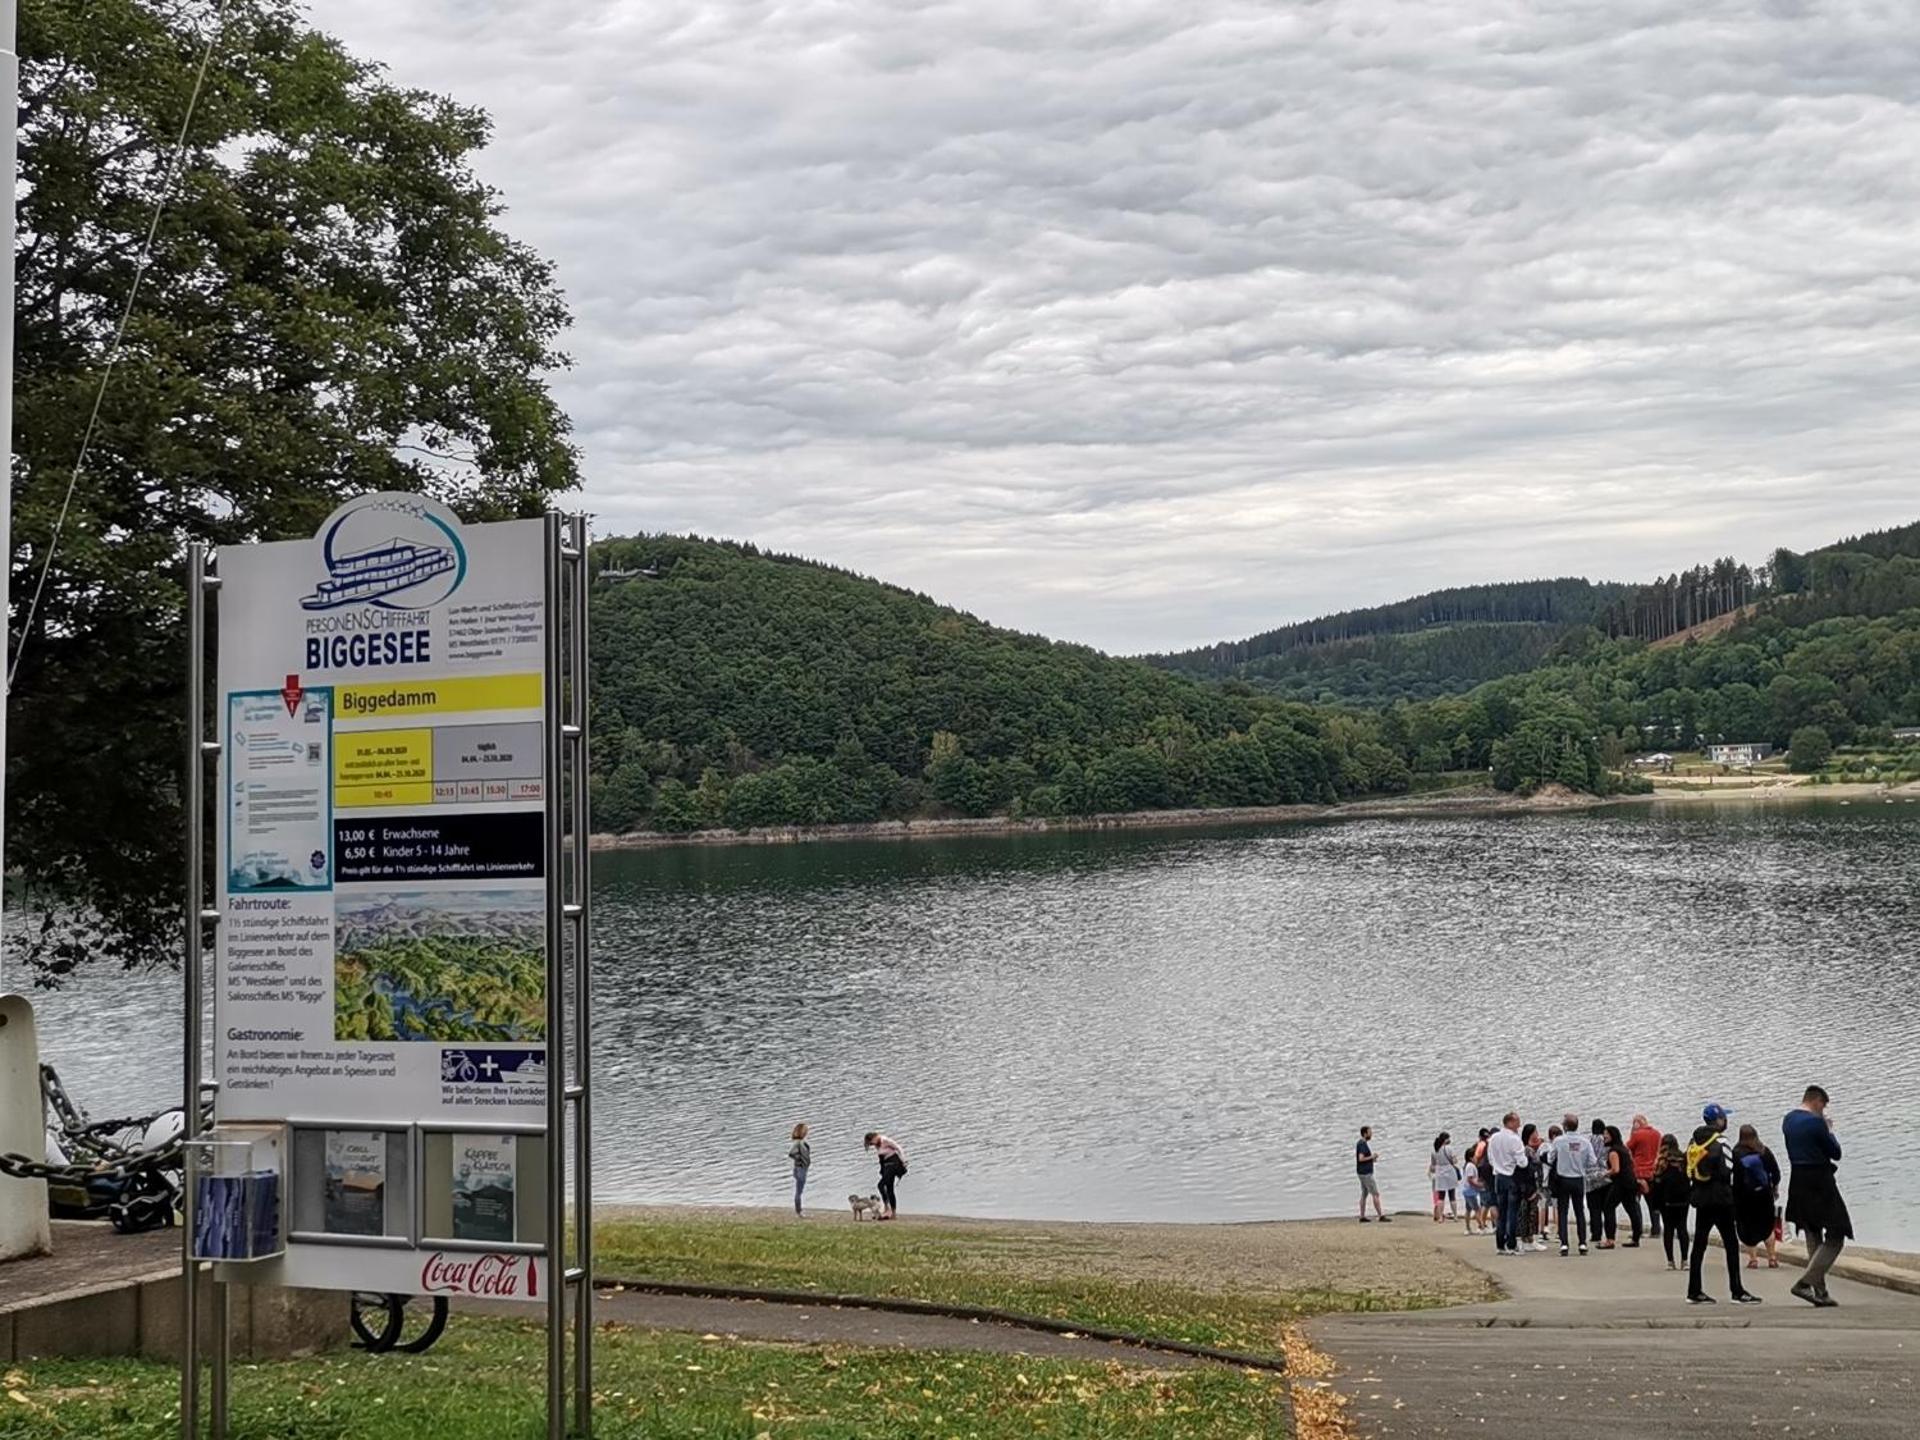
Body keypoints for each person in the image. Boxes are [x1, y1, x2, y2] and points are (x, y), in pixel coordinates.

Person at [1783, 1085, 1849, 1308]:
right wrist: (1828, 1129)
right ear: (1817, 1101)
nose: (1824, 1110)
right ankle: (1805, 1283)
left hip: (1797, 1179)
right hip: (1819, 1180)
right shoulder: (1816, 1122)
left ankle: (1820, 1291)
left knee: (1812, 1233)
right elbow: (1835, 1153)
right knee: (1837, 1233)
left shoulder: (1788, 1120)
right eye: (1823, 1106)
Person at [1687, 1105, 1760, 1305]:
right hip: (1721, 1200)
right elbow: (1729, 1171)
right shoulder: (1721, 1141)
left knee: (1699, 1245)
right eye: (1724, 1118)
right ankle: (1737, 1291)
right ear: (1719, 1120)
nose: (1726, 1121)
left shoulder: (1694, 1141)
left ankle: (1694, 1291)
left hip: (1701, 1198)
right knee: (1731, 1245)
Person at [1733, 1123, 1782, 1269]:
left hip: (1745, 1197)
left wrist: (1734, 1197)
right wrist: (1774, 1187)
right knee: (1767, 1225)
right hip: (1764, 1194)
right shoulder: (1764, 1151)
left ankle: (1753, 1260)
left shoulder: (1736, 1153)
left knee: (1748, 1226)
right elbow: (1776, 1172)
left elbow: (1735, 1178)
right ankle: (1772, 1258)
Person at [1485, 1112, 1530, 1256]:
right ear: (1510, 1122)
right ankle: (1511, 1244)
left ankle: (1500, 1244)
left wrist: (1499, 1165)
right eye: (1517, 1122)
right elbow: (1522, 1163)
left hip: (1499, 1176)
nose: (1519, 1125)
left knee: (1502, 1212)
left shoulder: (1494, 1138)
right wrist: (1525, 1160)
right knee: (1512, 1212)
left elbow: (1490, 1158)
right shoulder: (1514, 1139)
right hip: (1511, 1176)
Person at [1548, 1116, 1594, 1256]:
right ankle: (1582, 1243)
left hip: (1563, 1179)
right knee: (1579, 1211)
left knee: (1563, 1211)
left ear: (1565, 1127)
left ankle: (1564, 1244)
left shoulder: (1558, 1141)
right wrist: (1581, 1163)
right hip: (1578, 1179)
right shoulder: (1585, 1142)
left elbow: (1550, 1158)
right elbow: (1592, 1161)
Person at [1648, 1133, 1691, 1270]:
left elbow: (1656, 1183)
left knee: (1668, 1229)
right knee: (1682, 1228)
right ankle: (1685, 1260)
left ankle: (1670, 1261)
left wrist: (1655, 1204)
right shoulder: (1684, 1159)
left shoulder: (1662, 1161)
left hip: (1666, 1201)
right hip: (1683, 1199)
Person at [1605, 1124, 1643, 1247]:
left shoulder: (1613, 1151)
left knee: (1608, 1207)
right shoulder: (1624, 1149)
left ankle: (1610, 1239)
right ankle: (1636, 1238)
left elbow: (1616, 1169)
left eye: (1606, 1134)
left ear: (1612, 1136)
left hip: (1620, 1183)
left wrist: (1604, 1173)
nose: (1604, 1137)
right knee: (1632, 1209)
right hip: (1631, 1182)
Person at [1627, 1114, 1663, 1239]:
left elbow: (1627, 1149)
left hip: (1638, 1172)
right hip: (1652, 1171)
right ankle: (1656, 1230)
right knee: (1653, 1203)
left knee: (1635, 1202)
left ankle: (1638, 1230)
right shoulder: (1657, 1134)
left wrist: (1632, 1133)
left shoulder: (1637, 1135)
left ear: (1637, 1124)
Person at [1585, 1118, 1614, 1248]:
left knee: (1594, 1208)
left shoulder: (1587, 1140)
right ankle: (1610, 1234)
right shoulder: (1606, 1140)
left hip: (1590, 1178)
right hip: (1606, 1177)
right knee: (1607, 1208)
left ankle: (1595, 1234)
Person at [864, 1131, 907, 1220]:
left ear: (874, 1137)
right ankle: (891, 1212)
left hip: (893, 1164)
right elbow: (882, 1157)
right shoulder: (878, 1144)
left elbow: (898, 1148)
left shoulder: (885, 1140)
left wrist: (903, 1161)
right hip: (886, 1166)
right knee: (889, 1189)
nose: (872, 1145)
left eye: (871, 1142)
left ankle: (888, 1209)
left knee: (881, 1185)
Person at [1519, 1123, 1548, 1250]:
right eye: (1535, 1132)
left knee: (1527, 1212)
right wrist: (1533, 1189)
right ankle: (1529, 1239)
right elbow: (1530, 1171)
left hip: (1530, 1185)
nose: (1537, 1135)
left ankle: (1526, 1239)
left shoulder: (1527, 1149)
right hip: (1530, 1186)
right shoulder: (1528, 1150)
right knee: (1530, 1213)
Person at [1355, 1126, 1391, 1223]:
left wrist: (1371, 1159)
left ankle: (1362, 1216)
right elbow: (1361, 1158)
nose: (1371, 1134)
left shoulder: (1361, 1143)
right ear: (1365, 1134)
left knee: (1364, 1193)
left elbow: (1363, 1159)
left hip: (1362, 1172)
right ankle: (1381, 1215)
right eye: (1370, 1132)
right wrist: (1372, 1156)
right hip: (1366, 1174)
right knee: (1375, 1194)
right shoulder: (1362, 1144)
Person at [1429, 1132, 1461, 1223]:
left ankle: (1440, 1217)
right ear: (1445, 1140)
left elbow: (1433, 1165)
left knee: (1441, 1197)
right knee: (1452, 1196)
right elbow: (1455, 1161)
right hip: (1450, 1172)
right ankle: (1455, 1216)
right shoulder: (1449, 1148)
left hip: (1439, 1173)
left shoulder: (1434, 1150)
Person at [788, 1122, 812, 1217]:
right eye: (805, 1130)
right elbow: (791, 1153)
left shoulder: (802, 1142)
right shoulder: (798, 1142)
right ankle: (799, 1211)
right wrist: (800, 1160)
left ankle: (799, 1210)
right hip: (800, 1169)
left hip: (802, 1168)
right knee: (799, 1191)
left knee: (800, 1190)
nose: (807, 1131)